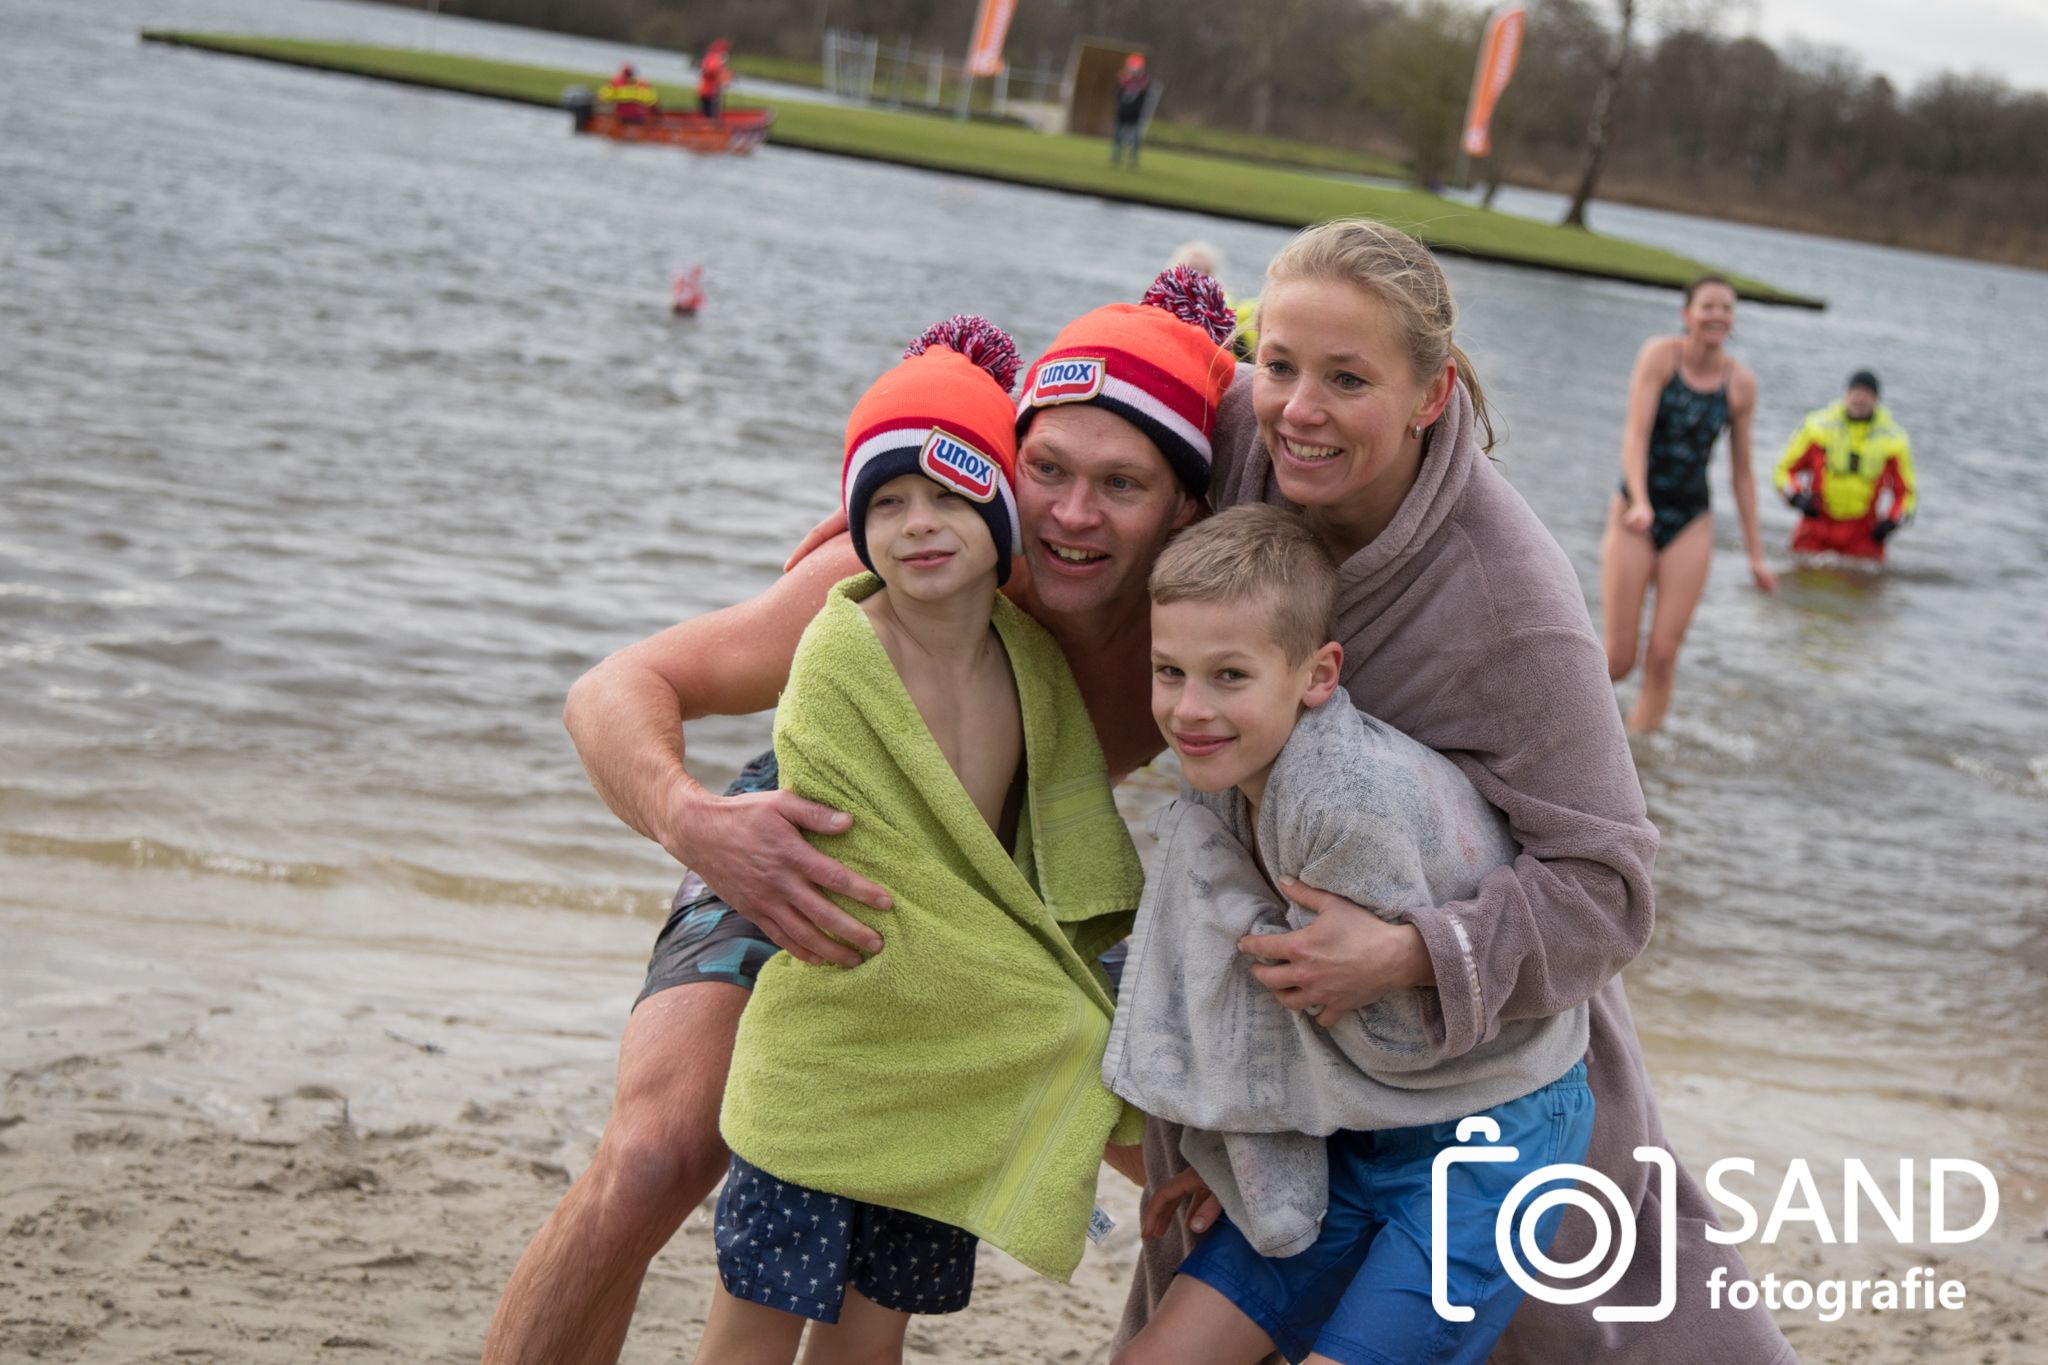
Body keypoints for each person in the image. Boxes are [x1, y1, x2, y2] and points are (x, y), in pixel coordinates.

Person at [478, 269, 1236, 1365]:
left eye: (1119, 484)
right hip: (800, 835)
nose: (1071, 513)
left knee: (1209, 1168)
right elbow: (613, 688)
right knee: (659, 1152)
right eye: (1047, 471)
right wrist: (697, 828)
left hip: (994, 895)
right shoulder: (894, 572)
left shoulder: (1202, 618)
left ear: (1185, 506)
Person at [1115, 219, 1795, 1365]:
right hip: (1281, 1043)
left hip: (1480, 1054)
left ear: (1431, 394)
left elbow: (1609, 887)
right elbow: (1056, 458)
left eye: (1347, 379)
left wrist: (1407, 955)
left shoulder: (1510, 600)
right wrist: (897, 526)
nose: (1297, 410)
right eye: (1278, 364)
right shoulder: (1237, 436)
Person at [691, 316, 1145, 1362]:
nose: (917, 524)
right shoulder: (839, 653)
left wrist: (1064, 969)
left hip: (945, 1072)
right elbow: (881, 863)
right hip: (837, 1041)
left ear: (998, 507)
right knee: (753, 1323)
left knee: (869, 1332)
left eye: (948, 494)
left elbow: (1060, 853)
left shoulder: (1031, 667)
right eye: (886, 502)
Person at [1107, 505, 1595, 1365]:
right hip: (1359, 1132)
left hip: (1490, 1128)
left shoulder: (1340, 807)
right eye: (1169, 670)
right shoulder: (1228, 784)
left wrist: (1267, 1126)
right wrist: (1244, 1153)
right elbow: (1291, 1030)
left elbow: (1386, 1038)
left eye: (1229, 675)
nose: (1190, 709)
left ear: (1318, 673)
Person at [1600, 275, 1776, 734]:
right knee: (1619, 658)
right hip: (1635, 513)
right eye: (1708, 306)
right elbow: (1635, 435)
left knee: (1662, 654)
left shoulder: (1740, 384)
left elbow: (1742, 473)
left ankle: (1638, 759)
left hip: (1691, 520)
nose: (1718, 314)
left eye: (1726, 308)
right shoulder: (1661, 356)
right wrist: (1639, 500)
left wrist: (1756, 556)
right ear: (1688, 314)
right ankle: (1564, 731)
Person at [1775, 368, 1916, 562]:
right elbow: (1783, 471)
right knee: (1799, 578)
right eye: (1855, 393)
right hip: (1817, 523)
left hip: (1864, 532)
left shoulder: (1893, 440)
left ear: (1876, 399)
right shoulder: (1817, 427)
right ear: (1846, 394)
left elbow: (1906, 493)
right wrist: (1797, 497)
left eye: (1866, 394)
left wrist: (1891, 522)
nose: (1859, 399)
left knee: (1866, 584)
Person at [1112, 52, 1152, 169]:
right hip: (1123, 113)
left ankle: (1133, 160)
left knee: (1136, 139)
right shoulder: (1123, 79)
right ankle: (1116, 158)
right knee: (1118, 136)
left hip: (1135, 114)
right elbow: (1116, 93)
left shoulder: (1143, 82)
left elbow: (1144, 97)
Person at [698, 39, 733, 119]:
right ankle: (710, 129)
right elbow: (709, 71)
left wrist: (730, 76)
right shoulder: (713, 58)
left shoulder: (712, 58)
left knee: (712, 114)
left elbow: (723, 75)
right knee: (710, 115)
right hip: (708, 92)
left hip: (711, 92)